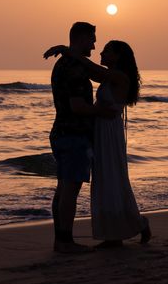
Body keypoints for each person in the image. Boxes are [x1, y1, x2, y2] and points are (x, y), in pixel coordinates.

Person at [44, 40, 151, 249]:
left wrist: (67, 50)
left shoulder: (119, 77)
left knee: (111, 177)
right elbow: (88, 69)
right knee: (104, 179)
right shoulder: (107, 76)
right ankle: (117, 232)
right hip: (100, 131)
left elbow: (91, 68)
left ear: (118, 56)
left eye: (107, 50)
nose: (100, 51)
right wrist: (68, 53)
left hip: (110, 133)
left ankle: (129, 228)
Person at [46, 21, 113, 254]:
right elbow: (78, 106)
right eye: (92, 39)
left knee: (63, 187)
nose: (94, 45)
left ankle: (60, 239)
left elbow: (99, 74)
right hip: (73, 134)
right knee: (70, 190)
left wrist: (68, 50)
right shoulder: (72, 68)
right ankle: (65, 241)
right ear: (81, 38)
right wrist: (102, 111)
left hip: (61, 132)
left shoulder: (68, 63)